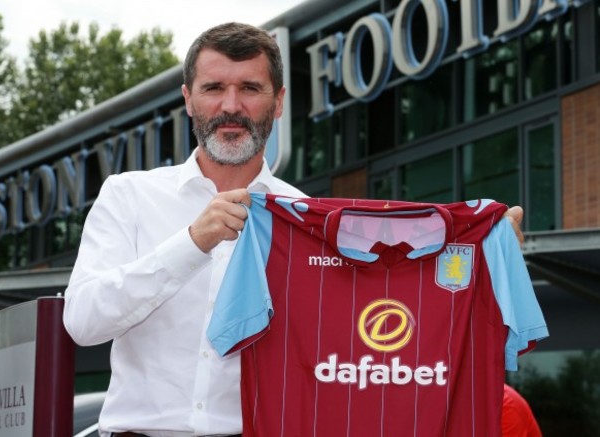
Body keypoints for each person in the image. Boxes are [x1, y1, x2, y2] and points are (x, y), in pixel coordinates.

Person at [63, 22, 526, 437]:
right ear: (188, 99)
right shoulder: (128, 195)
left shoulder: (309, 218)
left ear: (278, 101)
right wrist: (190, 244)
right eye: (213, 88)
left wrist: (486, 254)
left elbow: (386, 301)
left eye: (250, 88)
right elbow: (83, 322)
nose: (230, 106)